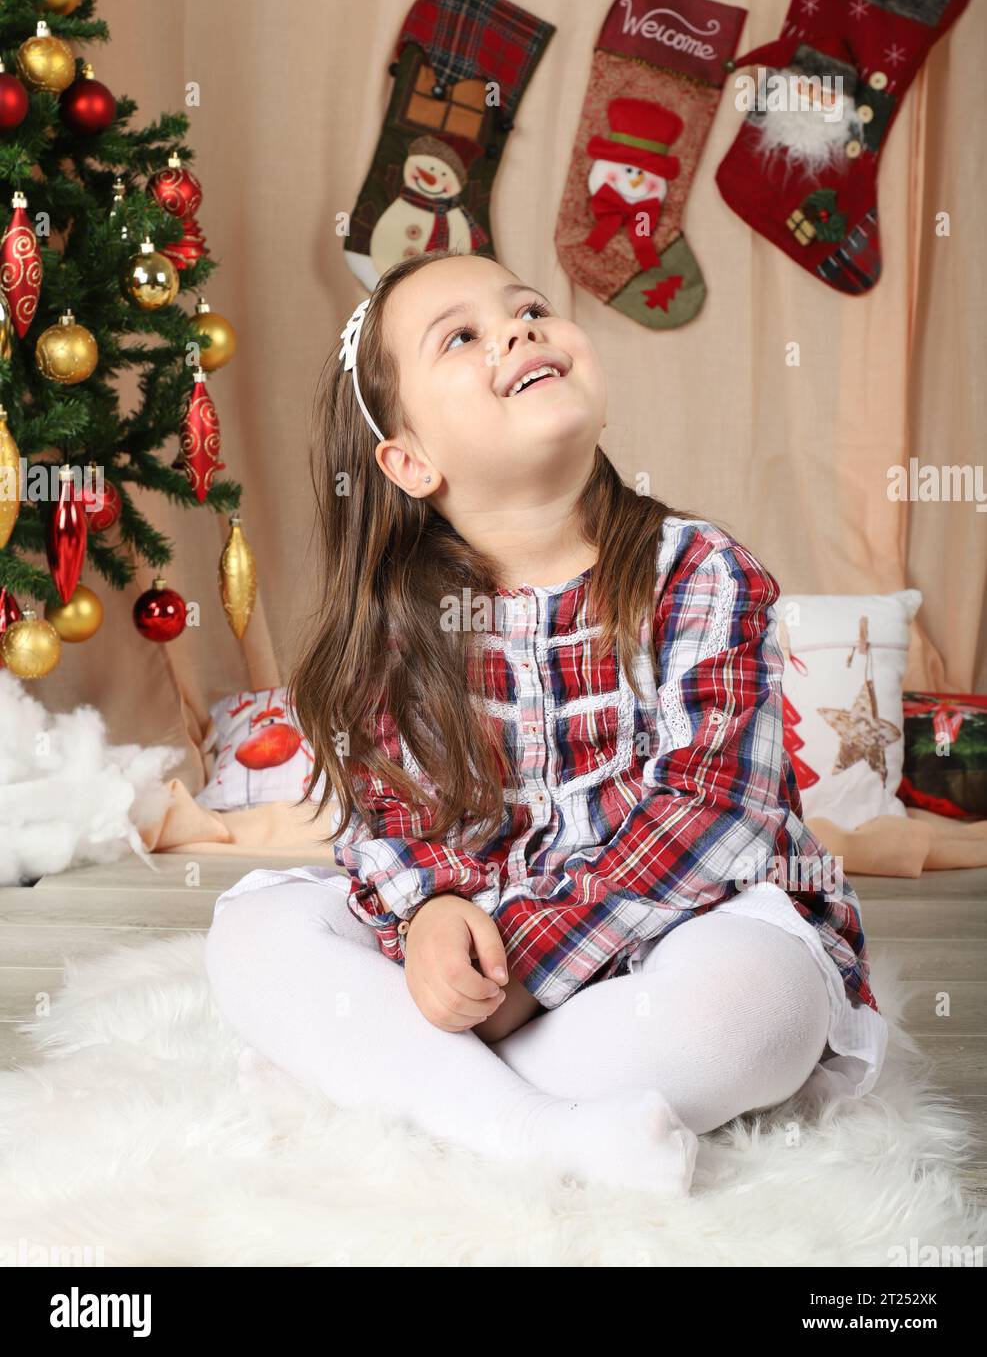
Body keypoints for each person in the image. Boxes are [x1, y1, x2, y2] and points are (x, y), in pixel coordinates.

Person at [205, 250, 887, 1199]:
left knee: (755, 1011)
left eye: (527, 308)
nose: (519, 329)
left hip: (678, 927)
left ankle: (395, 1090)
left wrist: (526, 966)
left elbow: (714, 815)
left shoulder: (699, 572)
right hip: (478, 947)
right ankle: (538, 1130)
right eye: (464, 336)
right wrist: (436, 910)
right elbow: (391, 822)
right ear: (407, 461)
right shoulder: (398, 624)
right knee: (249, 937)